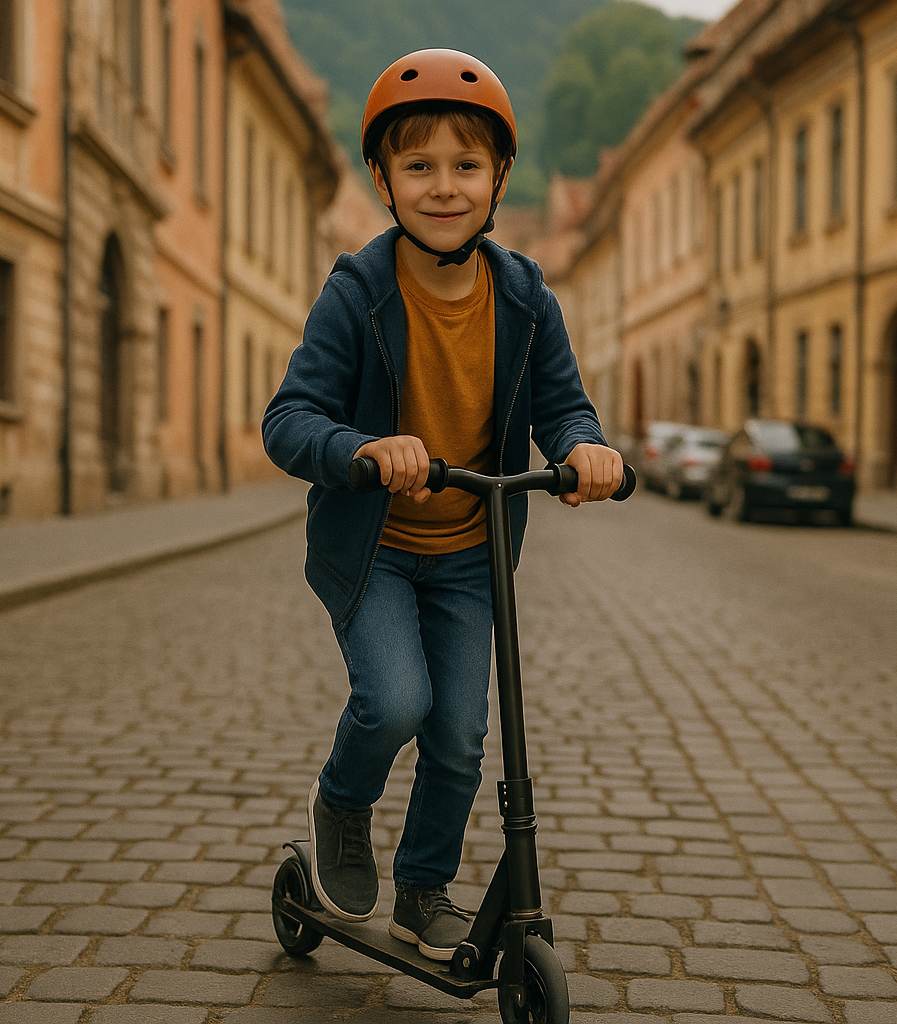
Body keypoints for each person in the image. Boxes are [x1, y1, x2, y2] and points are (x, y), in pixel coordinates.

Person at [261, 49, 624, 961]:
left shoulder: (526, 297)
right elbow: (289, 420)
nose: (444, 187)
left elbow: (563, 404)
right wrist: (361, 449)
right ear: (383, 180)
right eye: (418, 165)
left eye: (466, 165)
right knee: (395, 702)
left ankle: (423, 891)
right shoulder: (356, 293)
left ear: (500, 177)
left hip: (470, 552)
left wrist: (583, 447)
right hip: (375, 546)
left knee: (460, 734)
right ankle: (342, 804)